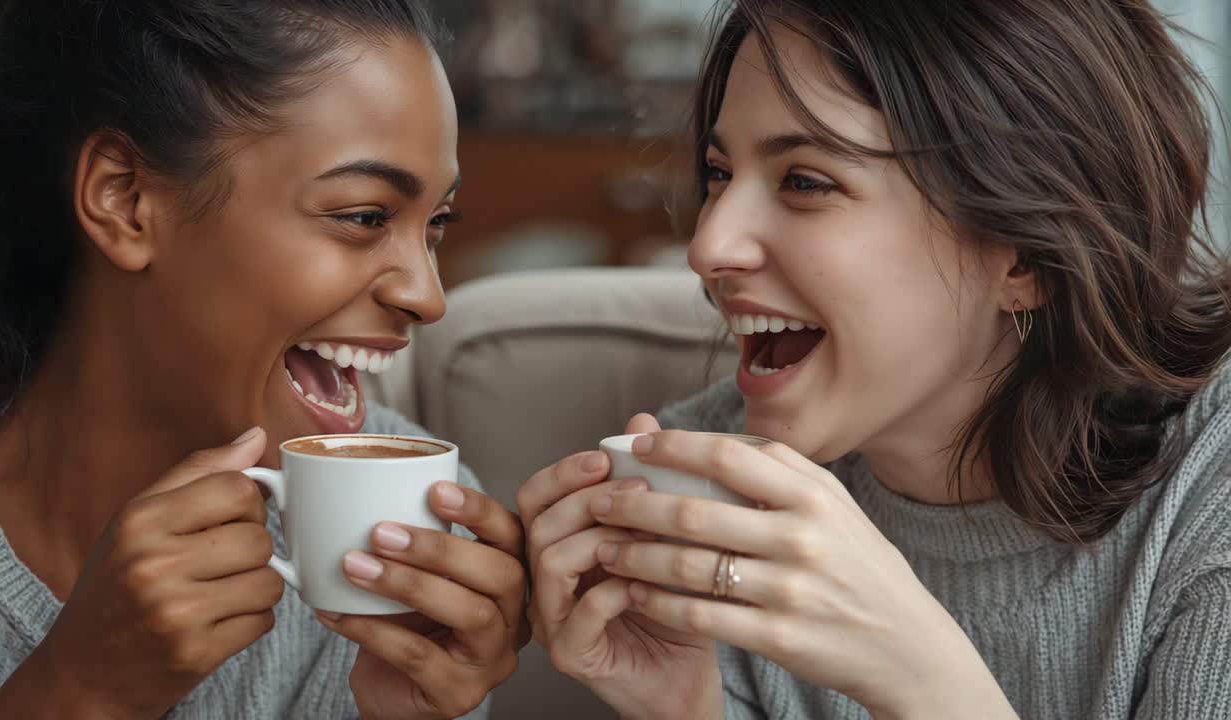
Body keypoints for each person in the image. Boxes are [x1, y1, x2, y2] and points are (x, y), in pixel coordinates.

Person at [519, 0, 1231, 718]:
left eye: (805, 181)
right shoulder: (700, 503)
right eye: (717, 173)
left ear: (1028, 255)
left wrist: (924, 684)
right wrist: (691, 710)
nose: (708, 246)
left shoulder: (1211, 486)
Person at [0, 1, 525, 717]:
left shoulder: (416, 540)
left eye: (435, 224)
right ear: (125, 200)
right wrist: (75, 693)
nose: (428, 296)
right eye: (365, 216)